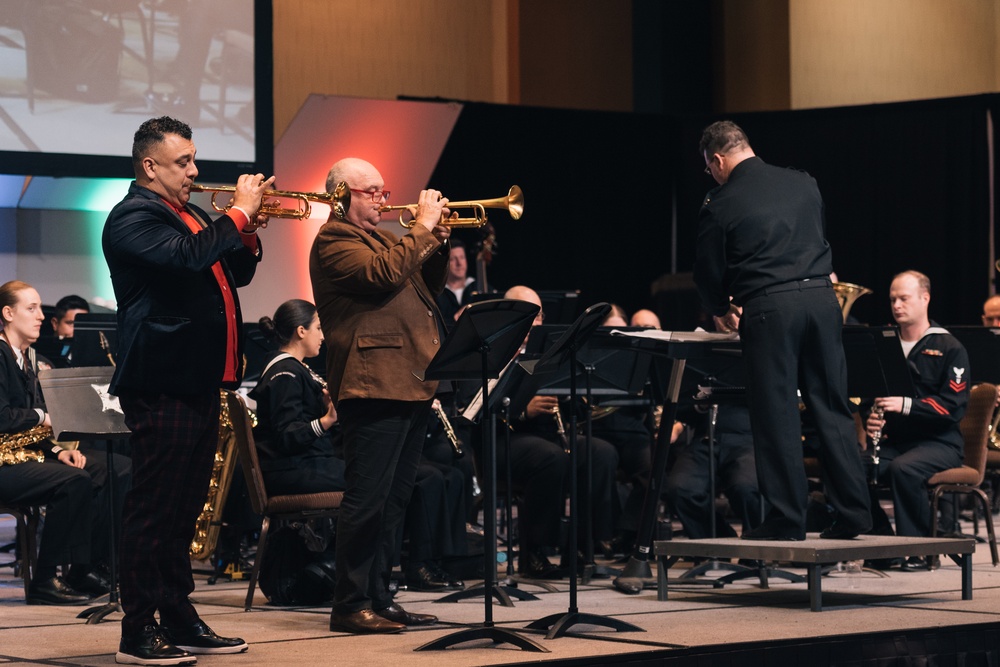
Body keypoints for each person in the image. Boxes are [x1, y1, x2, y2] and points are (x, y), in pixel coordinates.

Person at [103, 115, 273, 664]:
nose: (195, 171)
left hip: (201, 379)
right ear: (150, 166)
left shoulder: (192, 213)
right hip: (162, 380)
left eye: (194, 159)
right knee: (155, 507)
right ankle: (138, 627)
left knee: (184, 509)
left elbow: (236, 272)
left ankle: (177, 614)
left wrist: (245, 228)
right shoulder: (132, 216)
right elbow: (187, 259)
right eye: (184, 162)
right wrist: (238, 212)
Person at [694, 120, 871, 541]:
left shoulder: (720, 201)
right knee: (832, 407)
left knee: (777, 417)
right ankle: (854, 514)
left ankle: (787, 519)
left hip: (771, 309)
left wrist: (720, 309)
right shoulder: (804, 183)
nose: (712, 175)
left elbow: (708, 271)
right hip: (824, 302)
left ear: (717, 160)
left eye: (709, 168)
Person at [309, 157, 450, 634]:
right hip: (371, 380)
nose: (384, 200)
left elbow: (424, 291)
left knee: (394, 500)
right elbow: (380, 278)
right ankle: (349, 603)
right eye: (372, 191)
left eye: (384, 190)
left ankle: (378, 594)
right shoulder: (334, 239)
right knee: (367, 498)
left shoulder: (389, 239)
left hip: (409, 378)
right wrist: (423, 230)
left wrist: (435, 241)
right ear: (341, 193)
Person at [0, 280, 129, 605]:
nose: (41, 316)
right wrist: (43, 416)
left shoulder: (29, 359)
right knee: (73, 482)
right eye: (31, 308)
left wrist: (57, 450)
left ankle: (84, 569)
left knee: (117, 469)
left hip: (26, 455)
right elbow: (3, 420)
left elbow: (27, 431)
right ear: (7, 313)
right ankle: (45, 579)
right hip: (4, 463)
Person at [501, 285, 620, 576]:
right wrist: (523, 409)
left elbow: (572, 409)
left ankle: (581, 547)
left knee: (600, 452)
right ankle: (535, 553)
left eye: (539, 315)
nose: (536, 322)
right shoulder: (493, 351)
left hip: (546, 436)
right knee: (550, 457)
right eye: (529, 315)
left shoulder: (549, 353)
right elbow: (478, 409)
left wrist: (570, 395)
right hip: (504, 438)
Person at [865, 271, 968, 550]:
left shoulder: (949, 347)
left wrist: (905, 404)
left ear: (925, 298)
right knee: (852, 468)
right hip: (898, 441)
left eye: (904, 298)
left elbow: (952, 407)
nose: (897, 305)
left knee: (904, 469)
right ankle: (882, 545)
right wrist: (871, 419)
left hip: (940, 443)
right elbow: (868, 395)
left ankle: (916, 548)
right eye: (892, 299)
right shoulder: (884, 343)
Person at [436, 239, 478, 324]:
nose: (459, 263)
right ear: (445, 263)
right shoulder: (437, 294)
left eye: (462, 257)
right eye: (453, 259)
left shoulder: (478, 286)